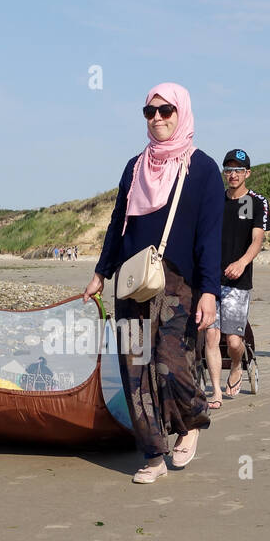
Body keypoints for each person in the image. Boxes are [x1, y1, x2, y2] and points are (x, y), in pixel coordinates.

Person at [84, 83, 221, 484]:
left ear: (182, 113)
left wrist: (209, 291)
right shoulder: (134, 167)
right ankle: (153, 453)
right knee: (135, 369)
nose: (158, 118)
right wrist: (100, 273)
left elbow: (209, 237)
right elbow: (117, 224)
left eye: (166, 111)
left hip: (178, 283)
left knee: (171, 364)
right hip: (131, 281)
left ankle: (192, 419)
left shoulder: (204, 169)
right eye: (150, 112)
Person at [204, 148, 268, 408]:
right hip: (211, 278)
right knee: (210, 336)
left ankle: (238, 365)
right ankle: (217, 392)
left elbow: (257, 238)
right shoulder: (215, 201)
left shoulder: (255, 202)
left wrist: (242, 263)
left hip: (238, 281)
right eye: (228, 169)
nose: (233, 174)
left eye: (238, 170)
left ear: (247, 173)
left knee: (232, 341)